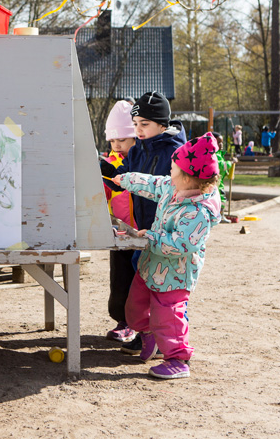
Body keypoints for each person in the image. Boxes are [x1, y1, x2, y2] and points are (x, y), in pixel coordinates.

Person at [112, 132, 221, 379]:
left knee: (169, 318)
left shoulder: (198, 212)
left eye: (173, 169)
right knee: (134, 308)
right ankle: (148, 334)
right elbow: (152, 183)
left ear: (188, 177)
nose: (169, 172)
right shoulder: (173, 187)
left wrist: (149, 238)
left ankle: (178, 359)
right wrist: (126, 179)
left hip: (175, 277)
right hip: (150, 266)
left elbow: (181, 244)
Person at [100, 90, 187, 355]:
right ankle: (147, 334)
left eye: (144, 124)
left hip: (168, 231)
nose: (138, 130)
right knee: (145, 285)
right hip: (143, 231)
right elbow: (123, 179)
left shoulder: (176, 151)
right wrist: (104, 169)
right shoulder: (138, 149)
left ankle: (170, 343)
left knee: (167, 290)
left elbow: (180, 190)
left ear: (162, 124)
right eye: (135, 124)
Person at [102, 100, 138, 343]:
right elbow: (101, 195)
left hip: (143, 232)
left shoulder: (142, 161)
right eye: (112, 140)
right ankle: (123, 321)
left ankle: (143, 325)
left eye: (122, 140)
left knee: (141, 282)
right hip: (121, 234)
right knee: (120, 280)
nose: (116, 145)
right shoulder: (110, 164)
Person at [212, 132, 236, 210]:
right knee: (220, 198)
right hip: (215, 183)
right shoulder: (213, 154)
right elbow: (221, 166)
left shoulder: (220, 154)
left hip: (220, 182)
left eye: (222, 142)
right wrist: (230, 163)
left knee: (222, 198)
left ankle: (221, 212)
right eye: (219, 142)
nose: (221, 144)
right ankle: (220, 212)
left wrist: (227, 173)